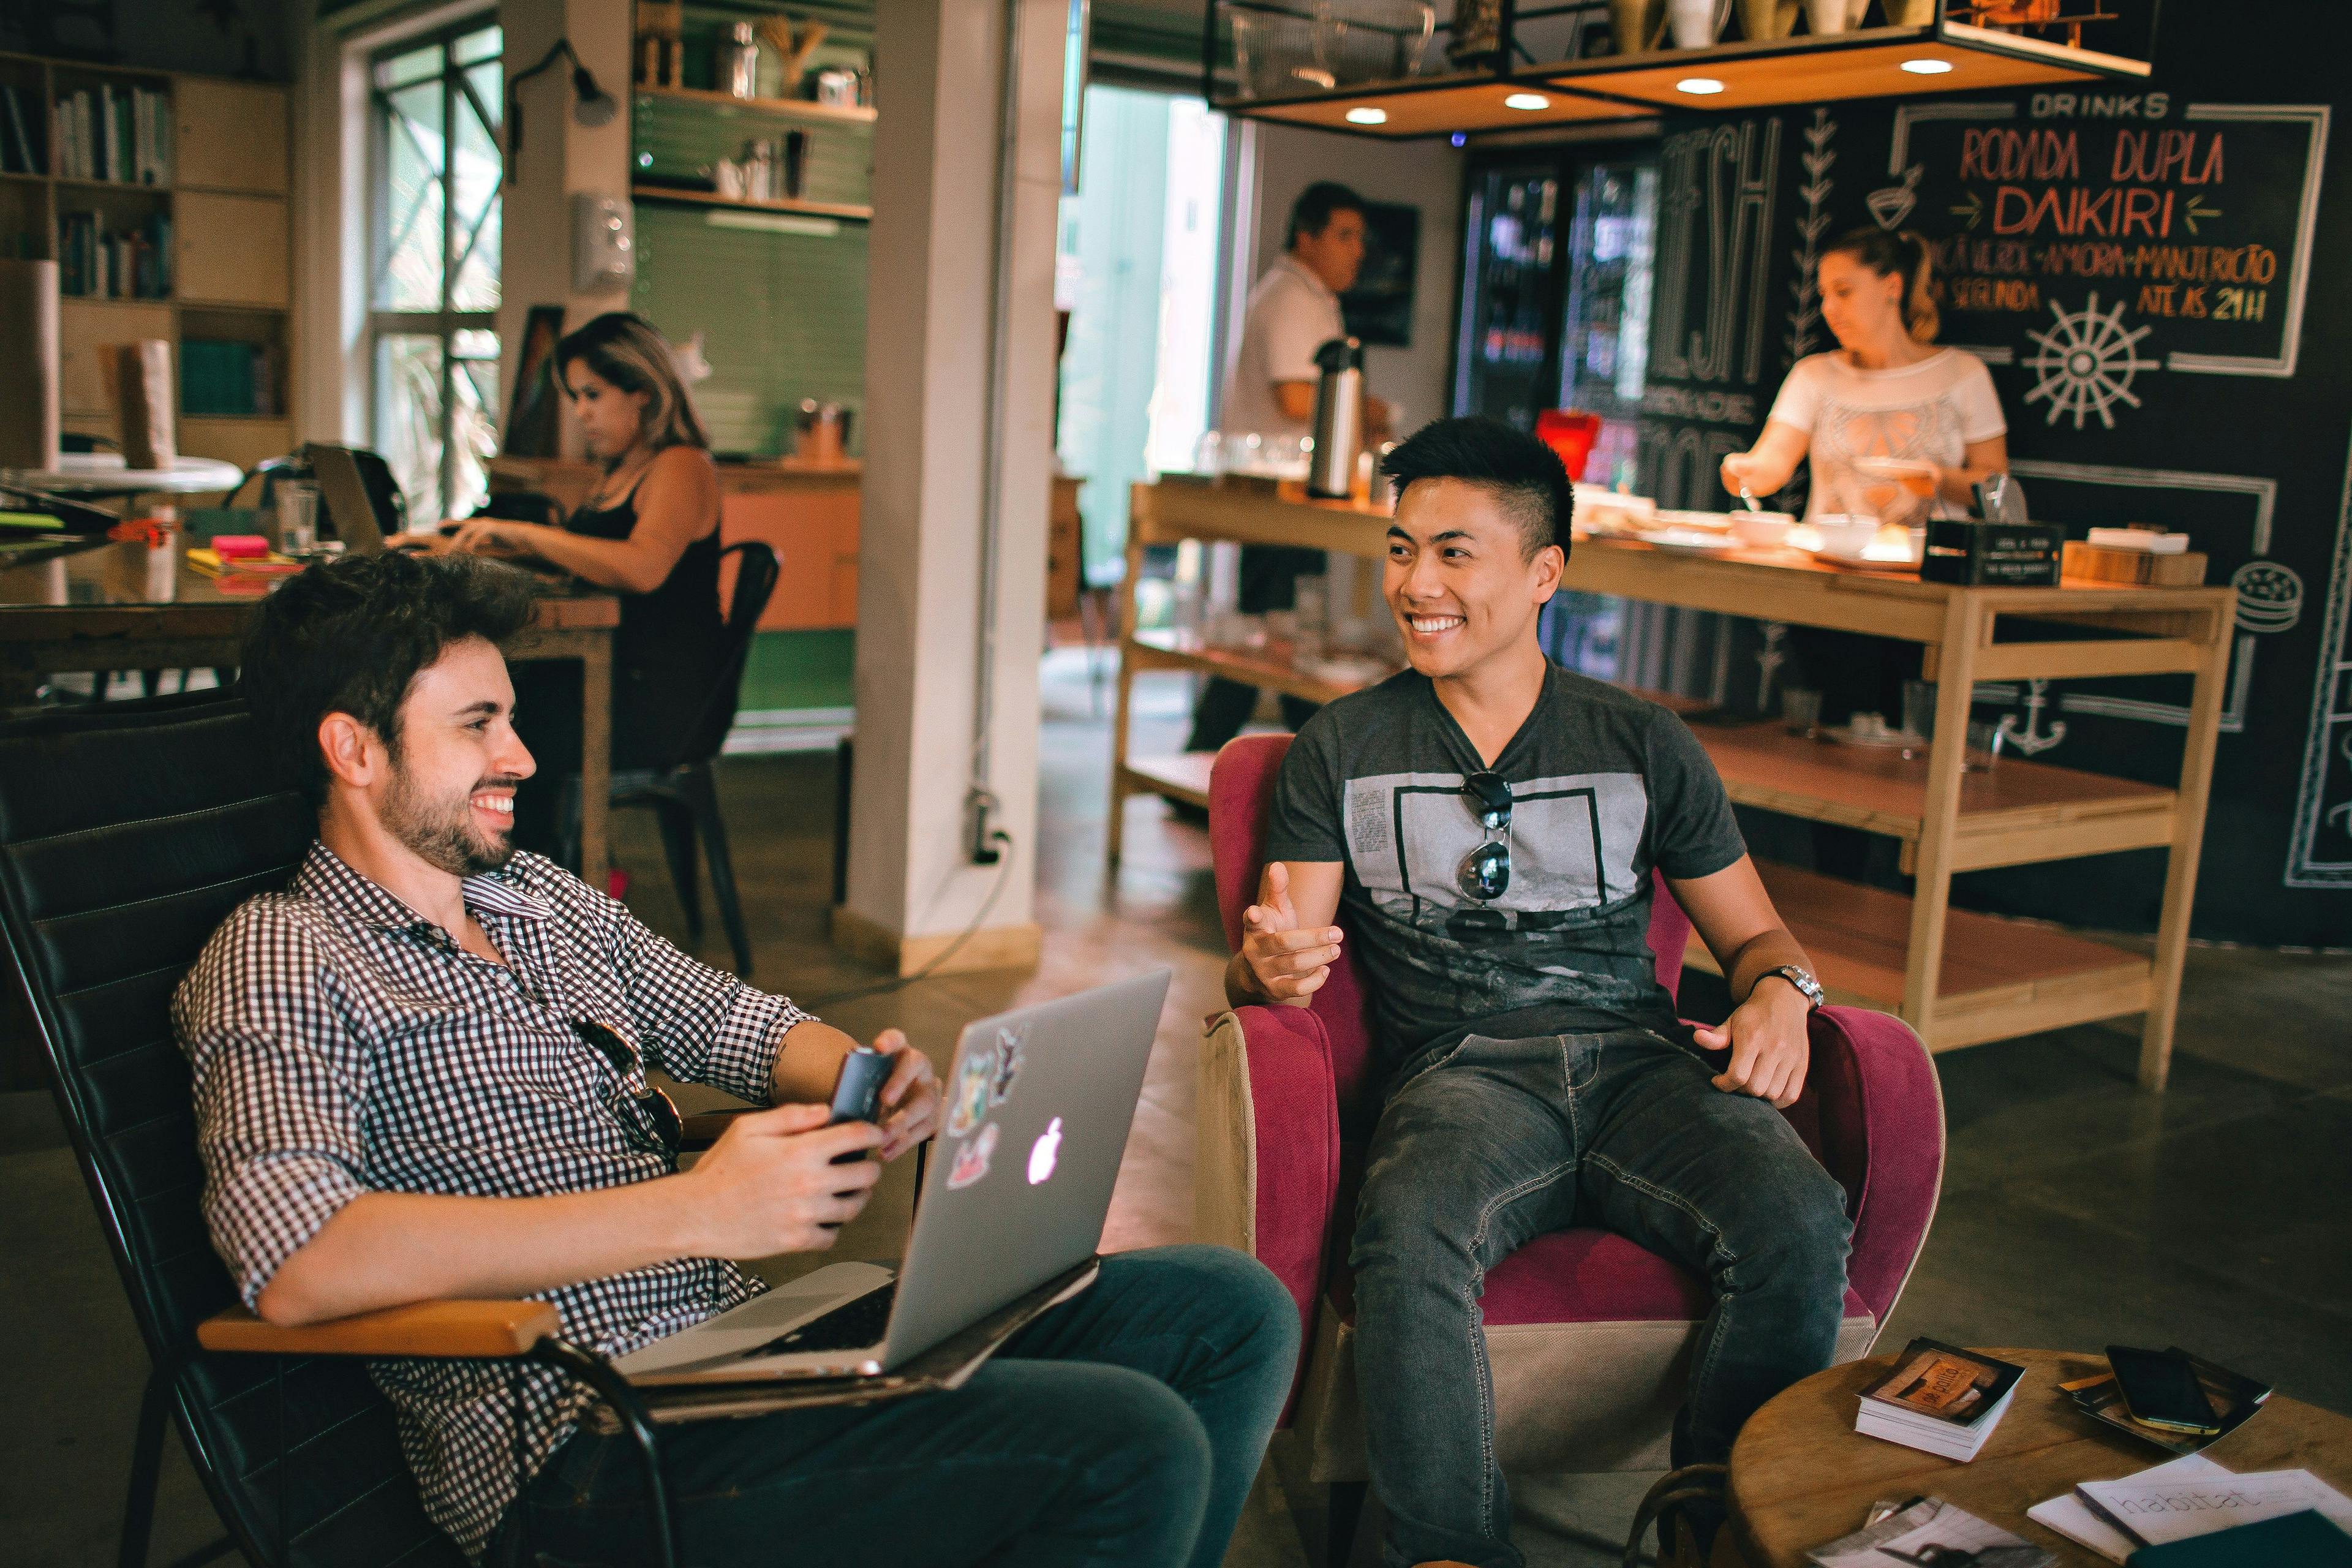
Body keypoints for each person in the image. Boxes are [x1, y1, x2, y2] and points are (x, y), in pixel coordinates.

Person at [174, 551, 1300, 1567]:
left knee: (1229, 1311)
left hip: (740, 1356)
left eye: (510, 717)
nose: (519, 753)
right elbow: (298, 1259)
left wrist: (865, 1080)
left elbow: (740, 1024)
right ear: (353, 747)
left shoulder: (535, 901)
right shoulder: (284, 953)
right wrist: (697, 1214)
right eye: (477, 724)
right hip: (583, 1446)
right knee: (1125, 1445)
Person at [1228, 418, 1852, 1568]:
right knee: (1409, 1227)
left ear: (1544, 572)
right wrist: (1264, 969)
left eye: (1454, 553)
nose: (1416, 586)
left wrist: (1785, 994)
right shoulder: (1342, 745)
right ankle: (1449, 1554)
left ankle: (1716, 1537)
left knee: (1799, 1218)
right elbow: (1284, 946)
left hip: (1643, 1066)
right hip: (1462, 1075)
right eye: (1401, 549)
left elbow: (1758, 934)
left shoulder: (1643, 742)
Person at [421, 312, 731, 854]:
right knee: (491, 703)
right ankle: (496, 873)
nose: (582, 412)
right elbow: (588, 563)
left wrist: (524, 534)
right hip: (613, 670)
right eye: (576, 397)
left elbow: (641, 566)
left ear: (642, 391)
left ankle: (525, 883)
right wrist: (479, 544)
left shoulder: (682, 466)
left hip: (657, 697)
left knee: (503, 717)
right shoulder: (622, 470)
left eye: (593, 394)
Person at [1186, 181, 1393, 757]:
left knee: (1287, 631)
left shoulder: (1314, 297)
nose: (1357, 250)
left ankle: (1295, 761)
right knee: (1276, 636)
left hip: (1300, 495)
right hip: (1278, 495)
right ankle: (1213, 761)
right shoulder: (1290, 298)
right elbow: (1298, 399)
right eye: (1344, 235)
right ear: (1307, 237)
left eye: (1361, 238)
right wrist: (1368, 409)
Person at [1719, 227, 2008, 527]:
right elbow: (1773, 462)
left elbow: (1996, 486)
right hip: (1828, 562)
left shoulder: (1963, 373)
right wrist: (1746, 471)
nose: (1829, 309)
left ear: (1892, 287)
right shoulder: (1813, 375)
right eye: (1824, 295)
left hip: (1926, 565)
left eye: (1844, 292)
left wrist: (1940, 479)